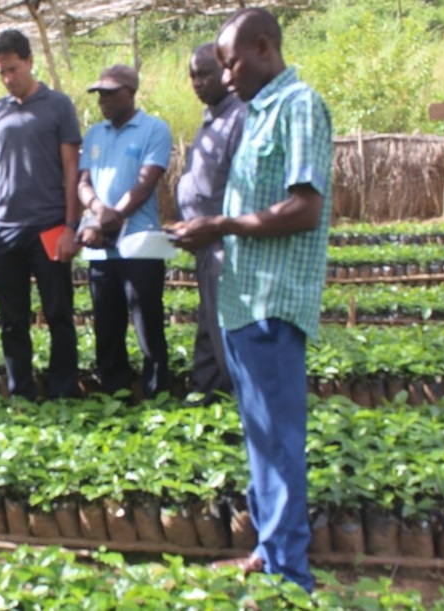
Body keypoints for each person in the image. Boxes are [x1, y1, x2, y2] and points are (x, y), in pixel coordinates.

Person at [170, 8, 332, 592]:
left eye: (232, 62)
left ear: (265, 47)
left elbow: (304, 207)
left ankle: (292, 573)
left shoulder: (298, 106)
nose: (226, 75)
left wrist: (222, 225)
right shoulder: (257, 113)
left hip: (272, 301)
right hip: (242, 302)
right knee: (260, 437)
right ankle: (269, 550)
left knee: (280, 438)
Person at [0, 29, 81, 401]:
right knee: (12, 320)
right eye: (2, 72)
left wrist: (71, 225)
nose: (8, 78)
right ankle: (20, 392)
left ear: (30, 62)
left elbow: (72, 169)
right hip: (3, 232)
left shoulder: (59, 106)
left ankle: (64, 391)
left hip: (50, 225)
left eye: (14, 69)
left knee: (59, 314)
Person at [77, 64, 172, 399]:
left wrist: (109, 216)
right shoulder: (94, 135)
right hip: (100, 244)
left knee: (147, 322)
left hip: (140, 243)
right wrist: (98, 211)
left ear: (131, 92)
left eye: (112, 93)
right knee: (107, 324)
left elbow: (144, 185)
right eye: (100, 93)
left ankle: (156, 392)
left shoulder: (154, 130)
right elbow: (84, 183)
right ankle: (114, 392)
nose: (104, 100)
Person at [176, 43, 246, 406]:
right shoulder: (212, 117)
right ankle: (207, 400)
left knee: (224, 327)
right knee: (207, 321)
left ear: (226, 71)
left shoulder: (240, 116)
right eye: (192, 75)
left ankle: (234, 405)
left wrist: (211, 224)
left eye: (205, 73)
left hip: (225, 242)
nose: (197, 82)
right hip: (203, 241)